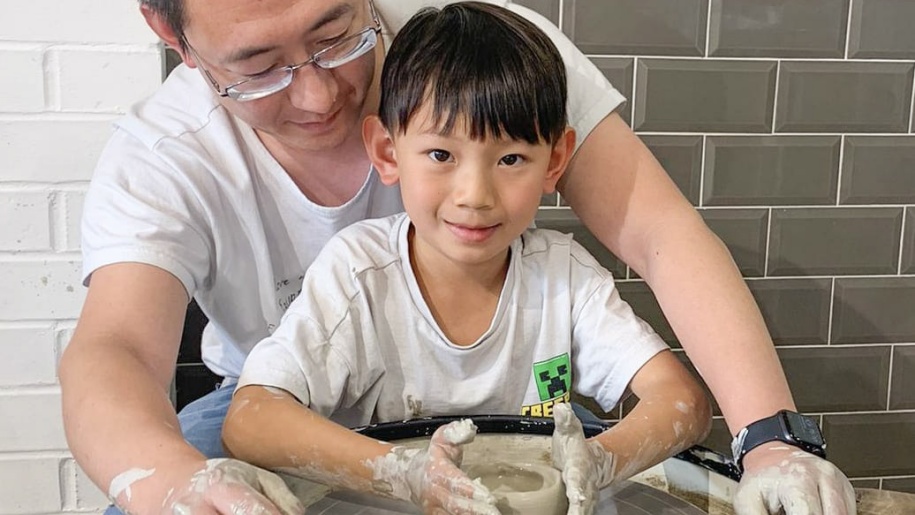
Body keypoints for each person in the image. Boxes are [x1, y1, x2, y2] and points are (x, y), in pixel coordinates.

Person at [57, 0, 856, 514]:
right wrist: (173, 482)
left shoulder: (491, 55)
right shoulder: (171, 160)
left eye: (336, 36)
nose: (316, 95)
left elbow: (659, 234)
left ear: (549, 160)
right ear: (174, 37)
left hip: (520, 395)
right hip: (290, 396)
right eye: (259, 67)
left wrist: (771, 438)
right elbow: (118, 351)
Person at [221, 4, 711, 514]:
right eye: (441, 155)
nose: (475, 195)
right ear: (388, 153)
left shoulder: (565, 278)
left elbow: (683, 402)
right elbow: (250, 420)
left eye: (511, 159)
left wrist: (603, 460)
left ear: (556, 161)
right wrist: (400, 473)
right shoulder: (359, 275)